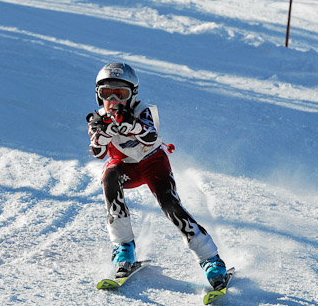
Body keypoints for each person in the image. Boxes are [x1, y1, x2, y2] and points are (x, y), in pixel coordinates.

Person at [86, 63, 229, 289]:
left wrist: (131, 126)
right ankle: (124, 247)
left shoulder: (141, 111)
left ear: (132, 95)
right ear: (98, 95)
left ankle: (211, 258)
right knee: (109, 177)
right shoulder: (98, 119)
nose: (113, 100)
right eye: (106, 94)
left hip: (153, 164)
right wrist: (103, 133)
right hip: (126, 168)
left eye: (120, 94)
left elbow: (151, 136)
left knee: (170, 205)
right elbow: (97, 152)